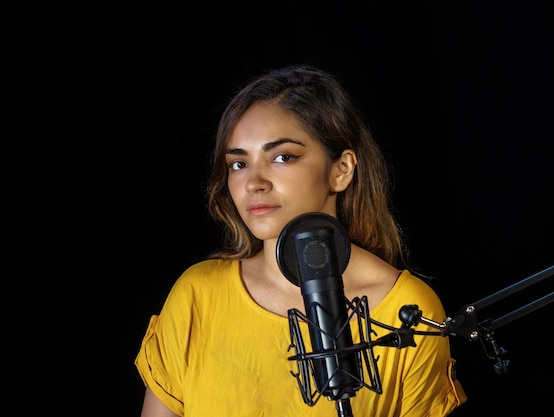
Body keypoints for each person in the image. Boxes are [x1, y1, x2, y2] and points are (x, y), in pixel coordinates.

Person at [135, 64, 467, 416]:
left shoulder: (407, 313)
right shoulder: (197, 296)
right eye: (238, 164)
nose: (254, 183)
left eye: (283, 157)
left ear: (341, 170)